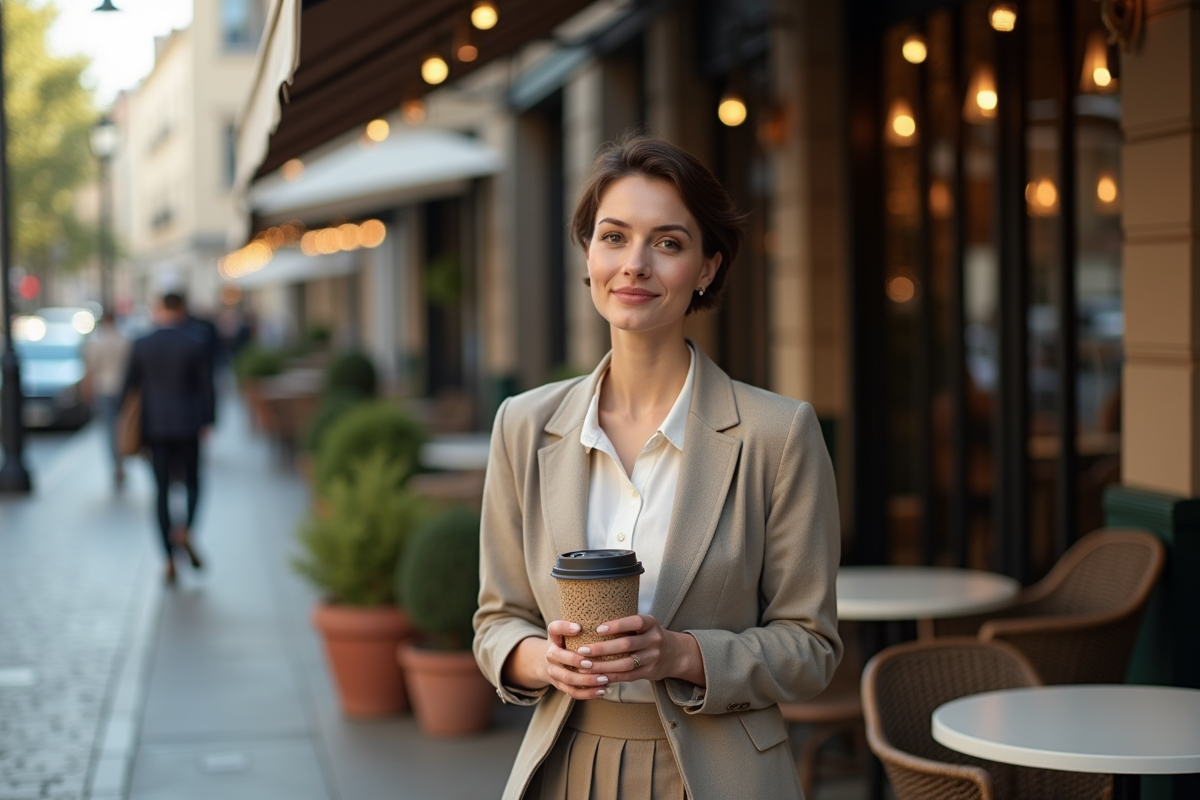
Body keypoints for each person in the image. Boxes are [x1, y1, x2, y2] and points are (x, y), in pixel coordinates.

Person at [473, 135, 842, 800]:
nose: (634, 264)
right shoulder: (523, 427)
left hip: (720, 772)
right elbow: (497, 621)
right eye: (613, 237)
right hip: (566, 763)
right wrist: (545, 661)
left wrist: (682, 654)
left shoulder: (778, 434)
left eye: (668, 243)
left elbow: (811, 647)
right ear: (588, 256)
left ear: (706, 268)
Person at [121, 292, 215, 584]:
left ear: (159, 309)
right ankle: (186, 529)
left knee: (161, 490)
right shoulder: (195, 342)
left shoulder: (142, 343)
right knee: (193, 482)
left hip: (155, 427)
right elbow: (208, 387)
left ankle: (168, 559)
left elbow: (128, 388)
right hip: (189, 426)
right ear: (183, 309)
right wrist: (209, 420)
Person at [82, 309, 131, 487]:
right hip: (122, 387)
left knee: (109, 427)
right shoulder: (125, 340)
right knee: (122, 425)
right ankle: (122, 459)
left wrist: (86, 388)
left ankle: (116, 464)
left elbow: (90, 368)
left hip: (104, 387)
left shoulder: (97, 341)